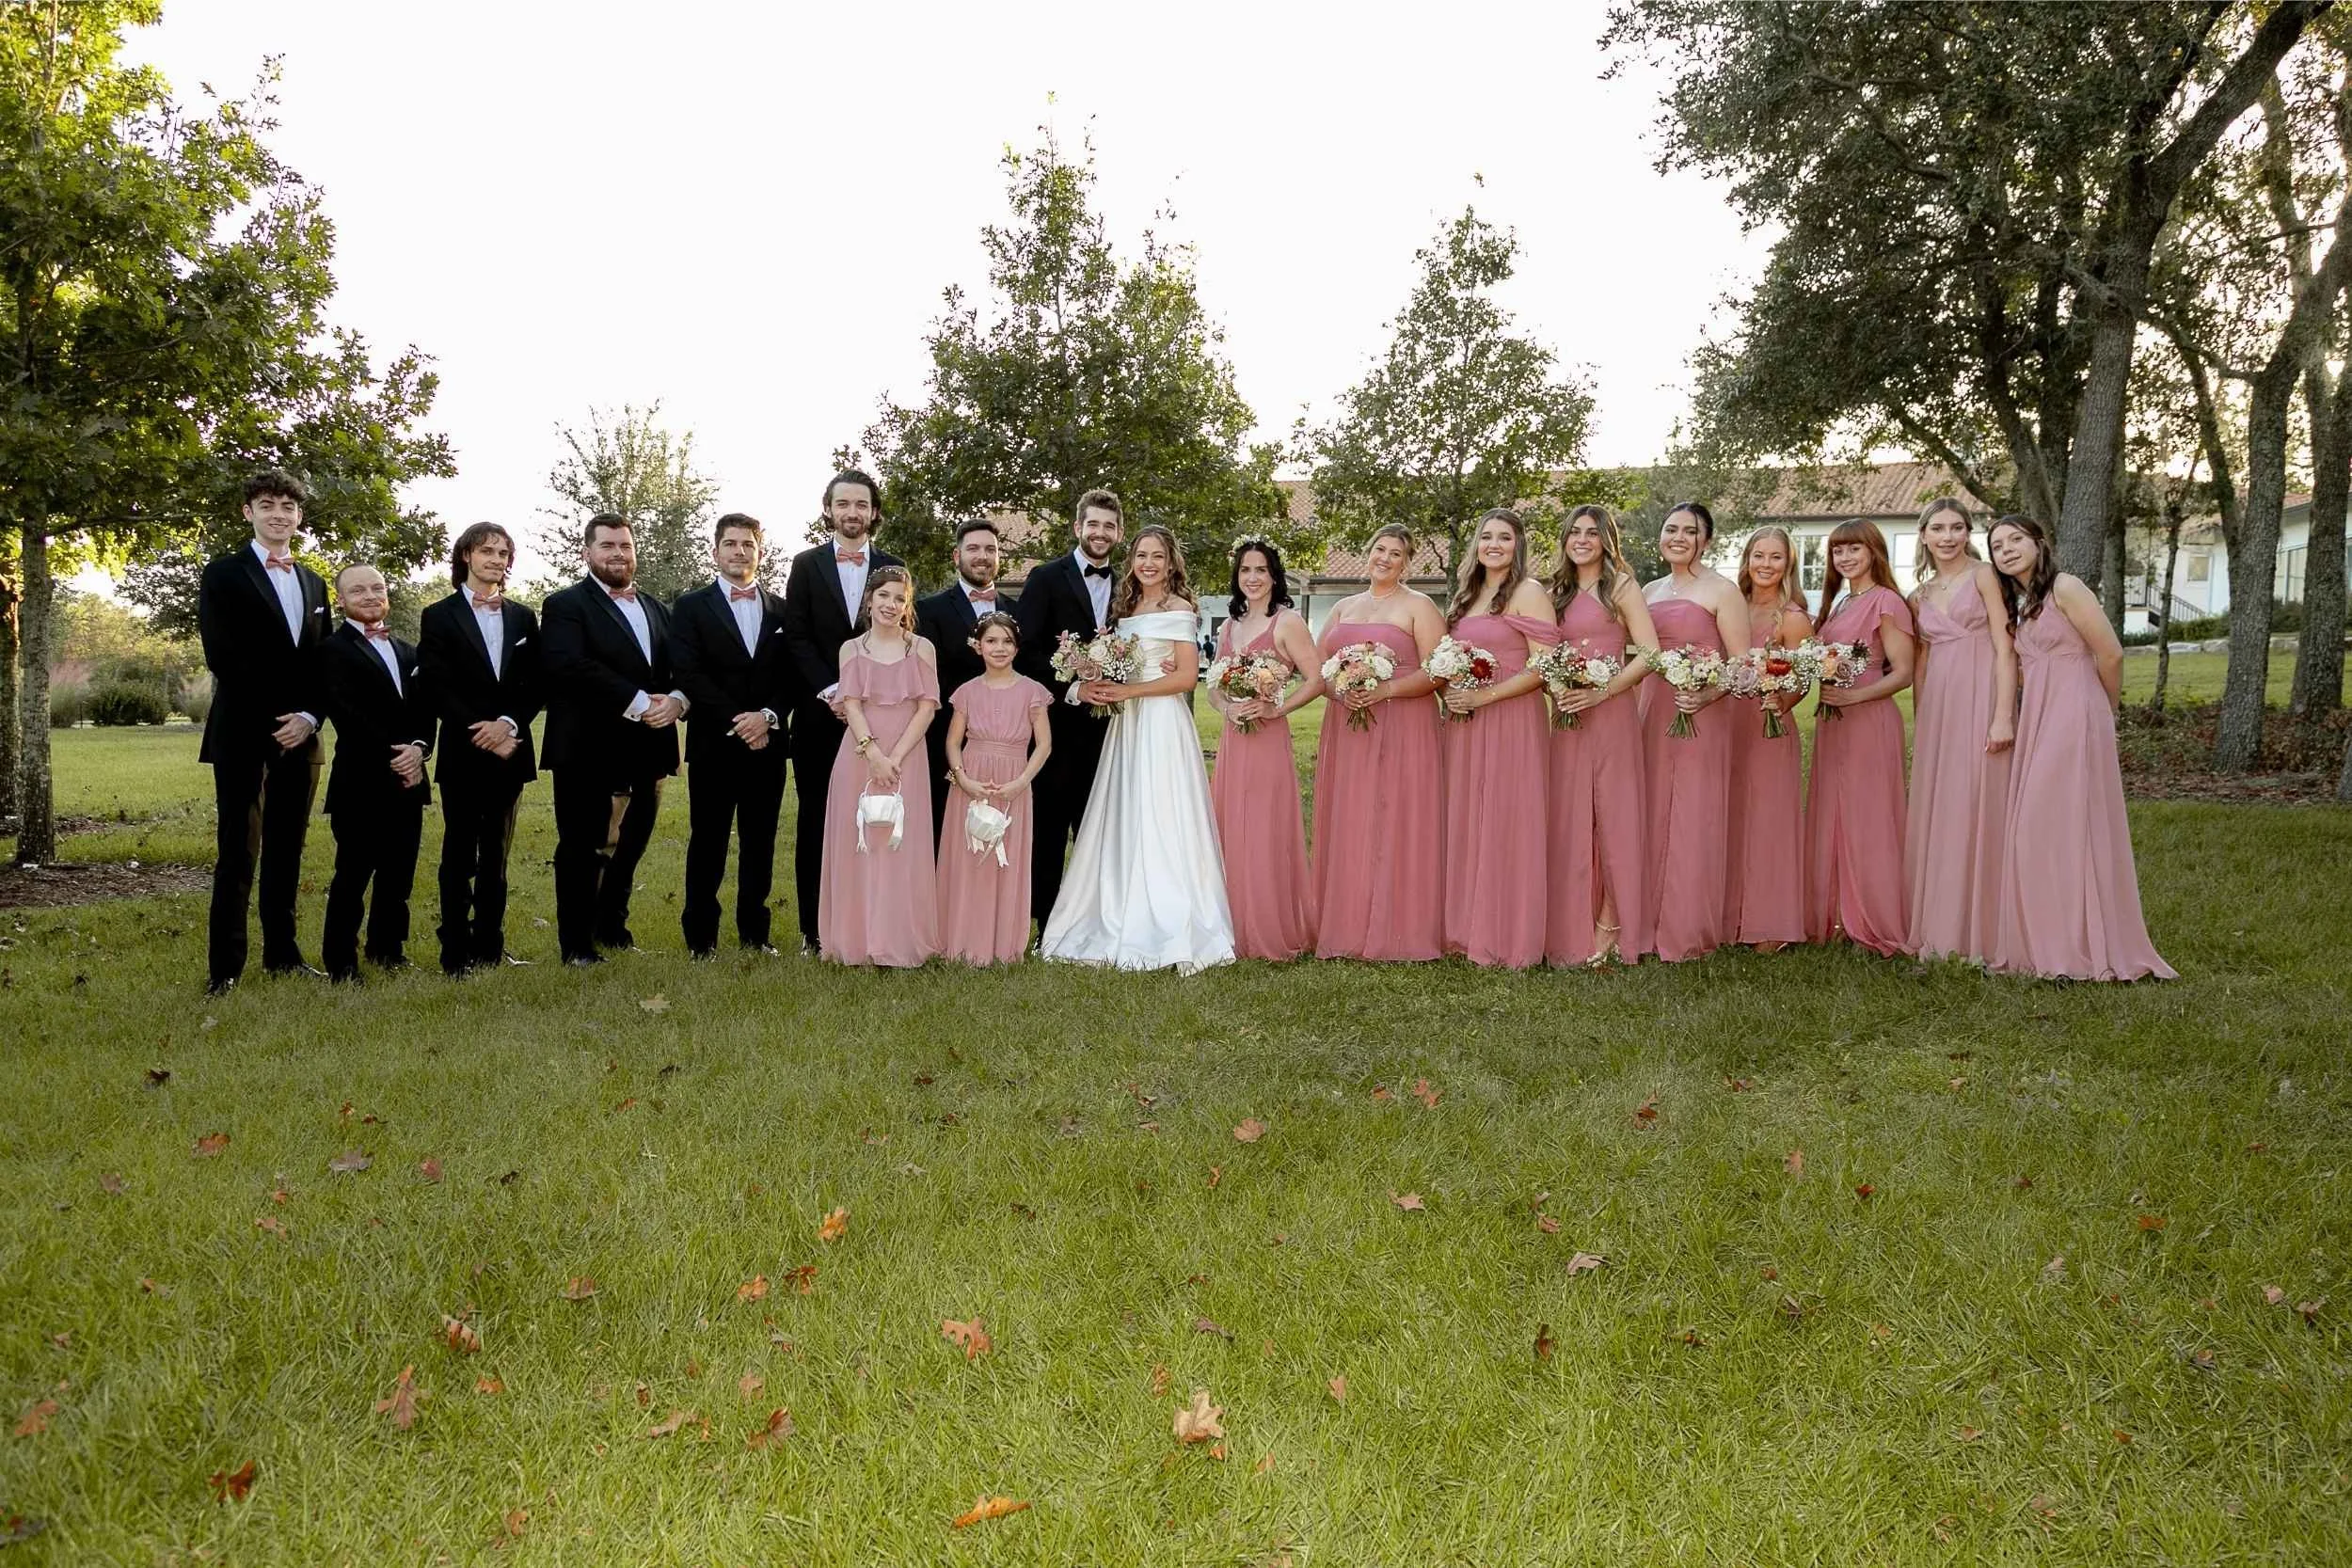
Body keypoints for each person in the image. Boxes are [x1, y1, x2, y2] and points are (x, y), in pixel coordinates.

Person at [1985, 515, 2174, 981]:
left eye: (2015, 540)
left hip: (2076, 711)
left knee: (2046, 826)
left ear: (2038, 542)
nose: (2006, 550)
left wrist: (2104, 709)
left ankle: (2074, 952)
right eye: (1996, 545)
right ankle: (2050, 947)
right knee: (2045, 830)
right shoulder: (2024, 600)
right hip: (2042, 715)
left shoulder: (2066, 587)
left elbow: (2110, 653)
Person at [1040, 526, 1235, 972]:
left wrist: (1129, 692)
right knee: (1126, 809)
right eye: (1141, 555)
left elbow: (1186, 677)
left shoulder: (1179, 608)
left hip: (1161, 722)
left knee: (1161, 809)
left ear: (1171, 563)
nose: (1148, 563)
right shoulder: (1127, 607)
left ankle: (1166, 915)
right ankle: (1117, 903)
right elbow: (1125, 663)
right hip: (1127, 728)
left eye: (1157, 556)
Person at [197, 468, 330, 993]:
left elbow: (326, 662)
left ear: (299, 517)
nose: (280, 514)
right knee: (238, 850)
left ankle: (284, 954)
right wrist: (281, 717)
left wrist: (309, 717)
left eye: (288, 507)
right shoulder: (224, 574)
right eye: (268, 504)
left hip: (304, 733)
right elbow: (222, 655)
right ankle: (225, 968)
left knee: (287, 847)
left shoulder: (315, 582)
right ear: (248, 513)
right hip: (244, 730)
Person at [539, 515, 687, 966]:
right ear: (587, 553)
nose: (618, 554)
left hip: (650, 746)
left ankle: (612, 926)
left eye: (625, 545)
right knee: (583, 845)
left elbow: (677, 668)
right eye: (607, 546)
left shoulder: (658, 608)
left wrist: (678, 699)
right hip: (587, 746)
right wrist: (640, 701)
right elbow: (570, 665)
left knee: (632, 839)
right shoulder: (565, 605)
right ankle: (577, 944)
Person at [1311, 523, 1447, 962]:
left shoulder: (1419, 606)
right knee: (1352, 816)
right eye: (1379, 549)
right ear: (1368, 553)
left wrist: (1385, 690)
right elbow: (1319, 671)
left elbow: (1437, 671)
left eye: (1396, 553)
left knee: (1394, 815)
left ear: (1407, 563)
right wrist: (1340, 690)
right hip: (1348, 726)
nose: (1385, 558)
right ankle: (1347, 922)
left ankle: (1397, 925)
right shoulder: (1344, 607)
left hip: (1403, 725)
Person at [782, 470, 904, 953]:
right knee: (817, 818)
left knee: (881, 817)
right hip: (821, 714)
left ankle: (878, 922)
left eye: (861, 504)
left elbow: (901, 633)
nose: (852, 513)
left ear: (874, 512)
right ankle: (816, 930)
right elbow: (796, 635)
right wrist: (834, 690)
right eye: (843, 504)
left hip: (881, 718)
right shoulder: (806, 565)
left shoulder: (894, 565)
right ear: (828, 509)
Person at [418, 522, 542, 976]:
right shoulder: (439, 615)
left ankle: (490, 946)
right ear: (466, 556)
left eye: (503, 553)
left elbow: (535, 682)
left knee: (497, 855)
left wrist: (508, 724)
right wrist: (481, 728)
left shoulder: (524, 618)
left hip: (511, 750)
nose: (495, 559)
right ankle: (454, 952)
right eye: (486, 551)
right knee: (459, 854)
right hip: (464, 751)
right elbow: (435, 682)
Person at [1438, 508, 1559, 969]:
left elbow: (1543, 667)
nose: (1494, 545)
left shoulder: (1528, 592)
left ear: (1517, 546)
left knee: (1508, 818)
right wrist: (1451, 688)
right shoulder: (1466, 595)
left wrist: (1484, 697)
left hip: (1510, 718)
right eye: (1486, 536)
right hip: (1466, 723)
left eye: (1504, 538)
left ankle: (1508, 932)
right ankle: (1467, 926)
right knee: (1468, 814)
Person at [671, 513, 791, 958]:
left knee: (761, 842)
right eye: (731, 544)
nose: (739, 551)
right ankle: (701, 938)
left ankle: (755, 935)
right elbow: (687, 671)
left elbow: (792, 674)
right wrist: (741, 720)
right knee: (709, 840)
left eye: (748, 544)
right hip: (714, 744)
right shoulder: (690, 606)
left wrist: (768, 716)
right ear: (716, 550)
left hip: (769, 743)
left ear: (760, 551)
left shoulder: (781, 609)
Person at [1543, 504, 1657, 967]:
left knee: (1614, 813)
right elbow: (1541, 652)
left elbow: (1650, 653)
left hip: (1610, 712)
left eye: (1592, 533)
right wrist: (1559, 688)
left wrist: (1602, 692)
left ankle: (1612, 923)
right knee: (1569, 815)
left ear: (1607, 540)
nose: (1582, 540)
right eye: (1575, 532)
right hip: (1567, 713)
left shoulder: (1622, 587)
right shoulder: (1554, 592)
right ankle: (1568, 920)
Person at [1904, 499, 2016, 964]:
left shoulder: (1985, 575)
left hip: (1984, 693)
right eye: (1938, 528)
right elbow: (1922, 663)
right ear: (1924, 535)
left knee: (1982, 799)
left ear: (1967, 532)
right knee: (1945, 805)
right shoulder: (1920, 596)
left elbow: (2005, 646)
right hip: (1940, 709)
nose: (1947, 536)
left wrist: (2003, 714)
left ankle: (1986, 925)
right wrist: (1922, 718)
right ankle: (1941, 922)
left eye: (1956, 528)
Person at [1639, 501, 1750, 961]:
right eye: (1671, 529)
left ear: (1706, 540)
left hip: (1701, 710)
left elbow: (1742, 663)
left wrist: (1705, 697)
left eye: (1690, 530)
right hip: (1652, 705)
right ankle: (1644, 920)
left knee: (1692, 812)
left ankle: (1687, 928)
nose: (1678, 537)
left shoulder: (1722, 591)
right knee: (1650, 806)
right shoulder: (1648, 590)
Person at [313, 563, 434, 982]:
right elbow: (348, 713)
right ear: (341, 600)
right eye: (357, 590)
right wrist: (396, 754)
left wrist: (419, 749)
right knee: (353, 873)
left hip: (409, 778)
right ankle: (341, 962)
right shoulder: (331, 650)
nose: (369, 595)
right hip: (361, 781)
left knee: (399, 873)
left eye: (377, 588)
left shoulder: (409, 651)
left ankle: (387, 949)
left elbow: (425, 711)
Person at [1014, 488, 1124, 932]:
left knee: (1102, 827)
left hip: (1116, 729)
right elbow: (1026, 652)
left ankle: (1097, 922)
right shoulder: (1045, 577)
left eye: (1109, 526)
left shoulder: (1130, 584)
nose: (1100, 533)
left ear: (1118, 533)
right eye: (1092, 524)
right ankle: (1046, 925)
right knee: (1050, 829)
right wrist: (1074, 685)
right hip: (1057, 727)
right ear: (1077, 528)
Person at [818, 566, 940, 966]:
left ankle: (899, 940)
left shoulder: (921, 648)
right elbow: (851, 704)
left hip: (908, 755)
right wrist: (873, 755)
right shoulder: (850, 649)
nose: (891, 605)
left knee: (901, 847)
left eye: (899, 598)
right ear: (869, 599)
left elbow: (926, 708)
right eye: (884, 596)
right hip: (858, 754)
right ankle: (855, 941)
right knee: (859, 845)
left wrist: (895, 759)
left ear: (907, 606)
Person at [1206, 536, 1320, 961]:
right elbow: (1213, 688)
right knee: (1231, 825)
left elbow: (1315, 680)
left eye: (1260, 570)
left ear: (1274, 575)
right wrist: (1228, 708)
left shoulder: (1288, 623)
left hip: (1269, 739)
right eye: (1244, 571)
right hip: (1235, 739)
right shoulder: (1228, 627)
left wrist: (1277, 709)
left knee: (1265, 829)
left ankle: (1270, 927)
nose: (1252, 578)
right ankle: (1231, 925)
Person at [1806, 518, 1916, 954]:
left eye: (1854, 549)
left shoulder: (1886, 602)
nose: (1845, 558)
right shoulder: (1839, 605)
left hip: (1869, 720)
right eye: (1838, 551)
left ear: (1874, 551)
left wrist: (1856, 699)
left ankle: (1875, 919)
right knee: (1834, 813)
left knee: (1868, 817)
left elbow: (1904, 673)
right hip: (1834, 723)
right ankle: (1837, 914)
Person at [938, 613, 1053, 964]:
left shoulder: (1033, 692)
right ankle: (960, 940)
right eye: (991, 641)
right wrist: (963, 778)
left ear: (1017, 647)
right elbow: (953, 742)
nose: (999, 648)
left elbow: (1044, 745)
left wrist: (1021, 782)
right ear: (978, 646)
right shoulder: (966, 692)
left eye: (1006, 641)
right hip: (972, 781)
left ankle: (1001, 943)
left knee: (1006, 861)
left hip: (1013, 783)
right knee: (969, 860)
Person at [1724, 526, 1812, 953]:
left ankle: (1772, 923)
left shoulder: (1792, 617)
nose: (1765, 564)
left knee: (1768, 818)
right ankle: (1734, 915)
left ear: (1788, 564)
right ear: (1746, 560)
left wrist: (1783, 701)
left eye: (1775, 557)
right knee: (1734, 813)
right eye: (1758, 555)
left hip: (1769, 723)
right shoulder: (1732, 606)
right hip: (1728, 721)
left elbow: (1804, 677)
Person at [914, 519, 1018, 847]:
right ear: (956, 556)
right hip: (947, 739)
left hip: (1005, 747)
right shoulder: (929, 610)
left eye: (990, 549)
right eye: (973, 548)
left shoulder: (1016, 610)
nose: (982, 556)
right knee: (944, 832)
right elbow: (927, 679)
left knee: (999, 832)